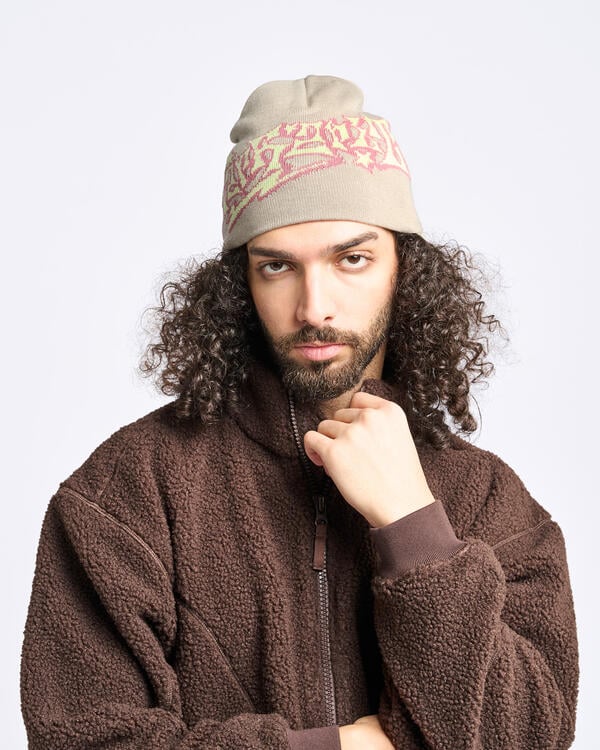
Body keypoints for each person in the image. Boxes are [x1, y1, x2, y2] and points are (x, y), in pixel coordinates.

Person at [20, 75, 579, 749]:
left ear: (405, 268)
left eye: (353, 259)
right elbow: (80, 739)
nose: (315, 306)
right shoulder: (128, 492)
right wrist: (337, 747)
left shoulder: (490, 502)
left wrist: (413, 527)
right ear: (239, 283)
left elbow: (529, 736)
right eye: (278, 267)